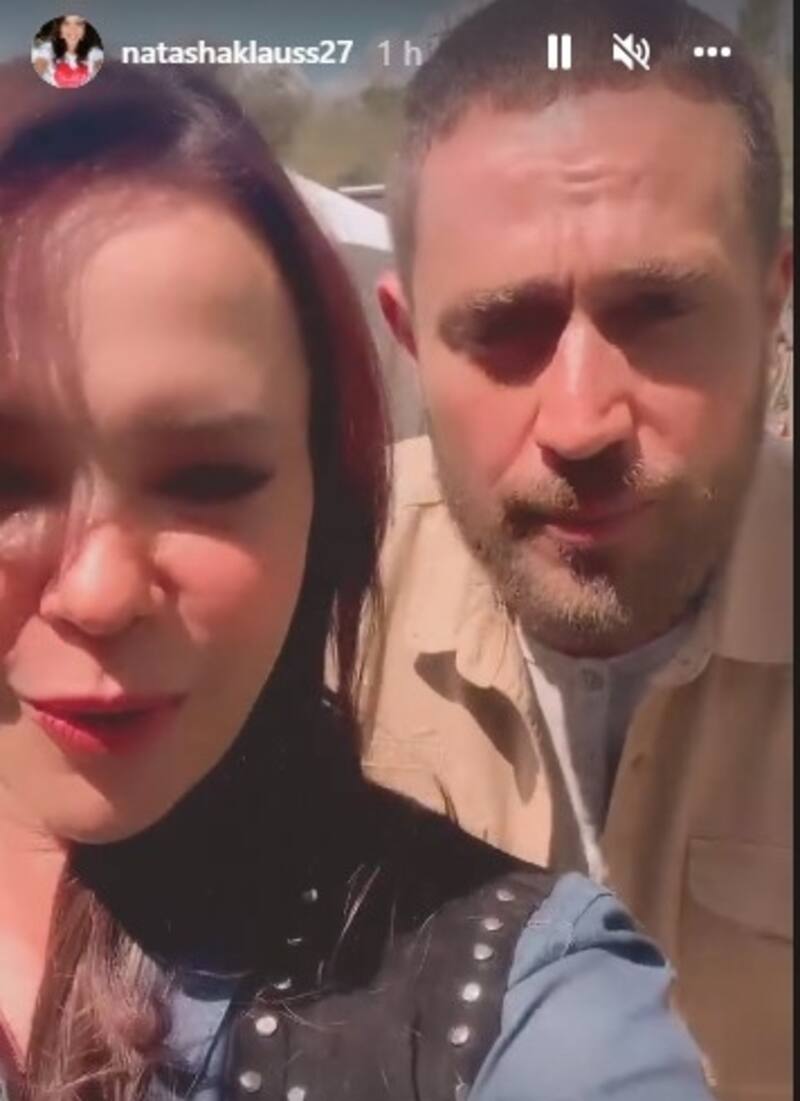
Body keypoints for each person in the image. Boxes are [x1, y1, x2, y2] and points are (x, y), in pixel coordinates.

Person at [0, 62, 714, 1101]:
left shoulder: (513, 1010)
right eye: (5, 479)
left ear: (323, 499)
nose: (101, 589)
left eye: (208, 479)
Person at [367, 1, 793, 1099]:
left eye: (657, 310)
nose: (580, 420)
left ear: (770, 306)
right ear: (408, 340)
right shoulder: (302, 614)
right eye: (503, 326)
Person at [31, 14, 103, 90]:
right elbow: (40, 66)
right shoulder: (47, 51)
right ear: (60, 30)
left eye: (79, 23)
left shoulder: (94, 54)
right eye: (66, 23)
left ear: (85, 30)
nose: (73, 29)